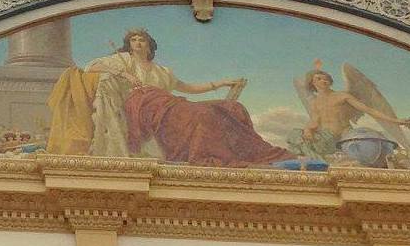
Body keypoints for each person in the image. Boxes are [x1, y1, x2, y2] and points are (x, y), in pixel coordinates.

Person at [48, 28, 292, 166]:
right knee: (202, 116)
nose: (137, 43)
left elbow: (188, 88)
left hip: (168, 104)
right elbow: (92, 66)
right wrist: (124, 73)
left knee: (228, 108)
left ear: (149, 45)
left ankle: (240, 151)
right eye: (133, 40)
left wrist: (221, 83)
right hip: (144, 107)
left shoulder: (163, 71)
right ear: (128, 45)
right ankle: (207, 152)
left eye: (141, 40)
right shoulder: (122, 60)